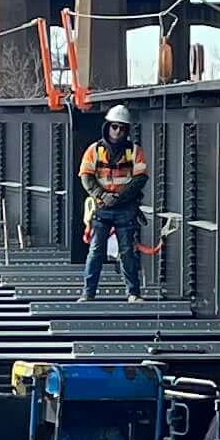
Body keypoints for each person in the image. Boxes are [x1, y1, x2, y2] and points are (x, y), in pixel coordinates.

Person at [77, 105, 149, 303]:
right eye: (115, 127)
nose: (118, 131)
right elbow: (86, 176)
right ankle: (88, 293)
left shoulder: (134, 152)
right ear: (108, 127)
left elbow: (140, 178)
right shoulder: (94, 150)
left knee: (127, 251)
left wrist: (119, 197)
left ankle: (133, 293)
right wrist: (101, 195)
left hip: (124, 208)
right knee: (96, 251)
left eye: (122, 128)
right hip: (103, 208)